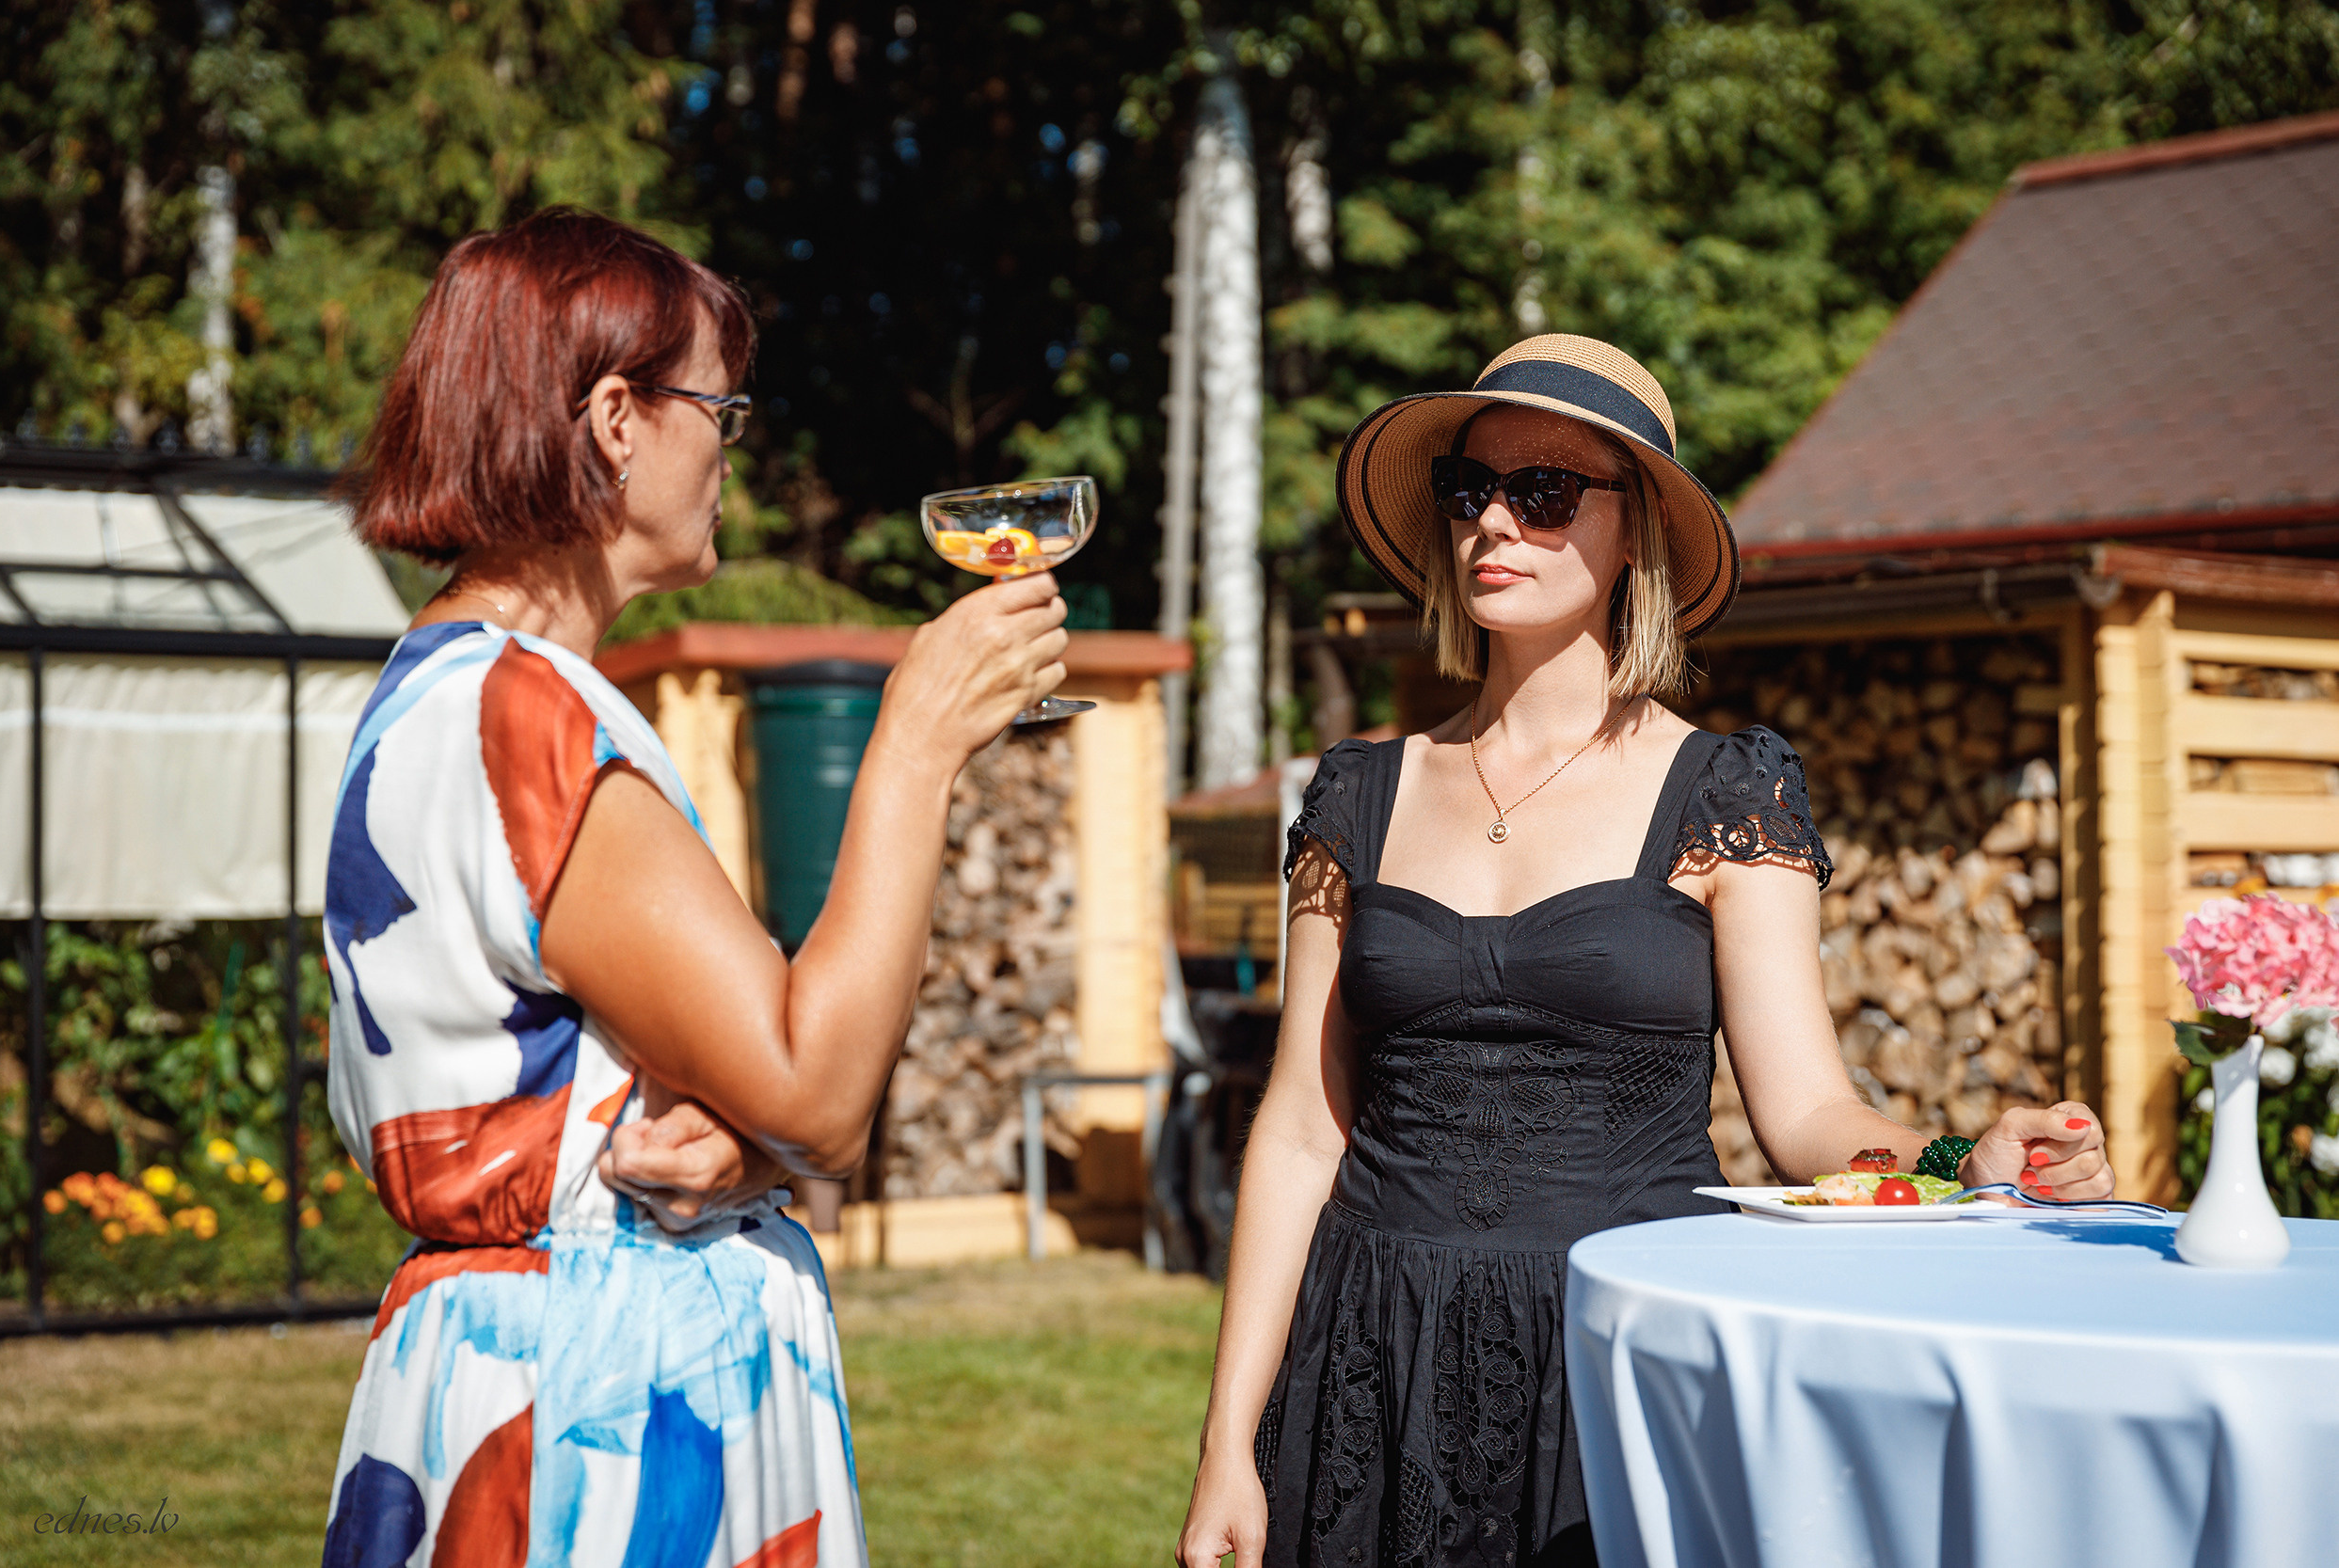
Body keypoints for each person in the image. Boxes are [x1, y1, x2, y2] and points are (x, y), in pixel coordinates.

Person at [1175, 335, 2114, 1568]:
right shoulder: (1357, 793)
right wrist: (1227, 1443)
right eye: (1470, 491)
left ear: (1640, 536)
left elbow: (1808, 1111)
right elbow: (1301, 1127)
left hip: (1618, 1346)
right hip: (1368, 1351)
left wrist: (1957, 1160)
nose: (1493, 523)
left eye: (1544, 492)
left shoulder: (1727, 793)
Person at [319, 208, 1067, 1568]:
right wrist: (914, 742)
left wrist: (735, 1140)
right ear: (616, 417)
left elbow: (566, 1081)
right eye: (720, 406)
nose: (731, 444)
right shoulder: (530, 721)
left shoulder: (435, 692)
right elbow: (818, 1085)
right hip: (602, 1412)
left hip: (504, 1374)